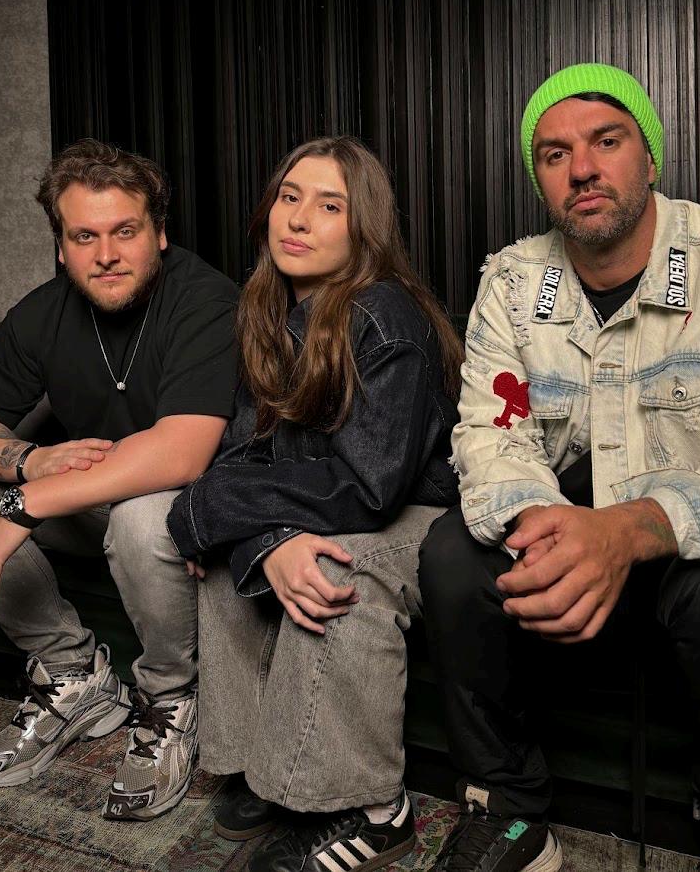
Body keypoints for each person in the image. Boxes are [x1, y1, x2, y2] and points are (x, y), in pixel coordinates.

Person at [418, 64, 700, 872]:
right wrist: (544, 527)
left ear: (651, 157)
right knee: (454, 555)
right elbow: (492, 431)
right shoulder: (513, 284)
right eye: (554, 153)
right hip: (564, 527)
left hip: (692, 544)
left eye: (607, 141)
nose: (582, 168)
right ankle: (507, 808)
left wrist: (634, 529)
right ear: (540, 178)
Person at [167, 135, 462, 872]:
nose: (298, 219)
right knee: (227, 552)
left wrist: (230, 510)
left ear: (363, 228)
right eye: (289, 197)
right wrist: (261, 537)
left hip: (416, 515)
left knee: (332, 568)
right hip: (324, 500)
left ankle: (375, 811)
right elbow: (244, 452)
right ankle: (262, 767)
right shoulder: (267, 310)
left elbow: (372, 485)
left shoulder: (385, 316)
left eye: (330, 206)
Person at [0, 139, 238, 821]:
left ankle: (172, 699)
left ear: (159, 233)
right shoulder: (45, 312)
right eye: (84, 236)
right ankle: (75, 677)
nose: (106, 254)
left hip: (194, 521)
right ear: (62, 247)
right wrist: (28, 462)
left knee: (141, 513)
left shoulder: (205, 300)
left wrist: (25, 502)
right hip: (90, 502)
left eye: (126, 231)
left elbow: (181, 454)